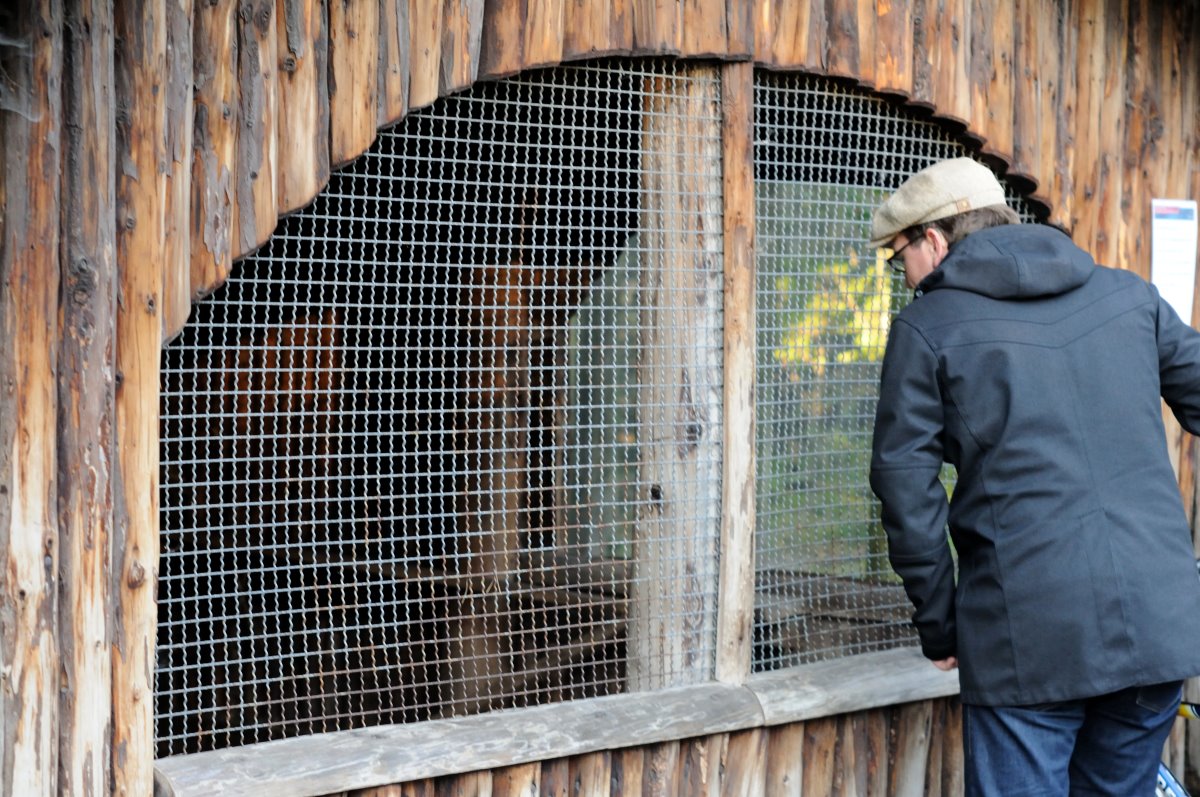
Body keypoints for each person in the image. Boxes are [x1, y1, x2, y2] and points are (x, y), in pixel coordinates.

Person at [867, 157, 1200, 796]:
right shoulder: (1130, 295)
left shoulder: (928, 328)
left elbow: (905, 489)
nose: (902, 274)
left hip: (1028, 644)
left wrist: (941, 623)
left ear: (933, 239)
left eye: (898, 255)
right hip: (1158, 627)